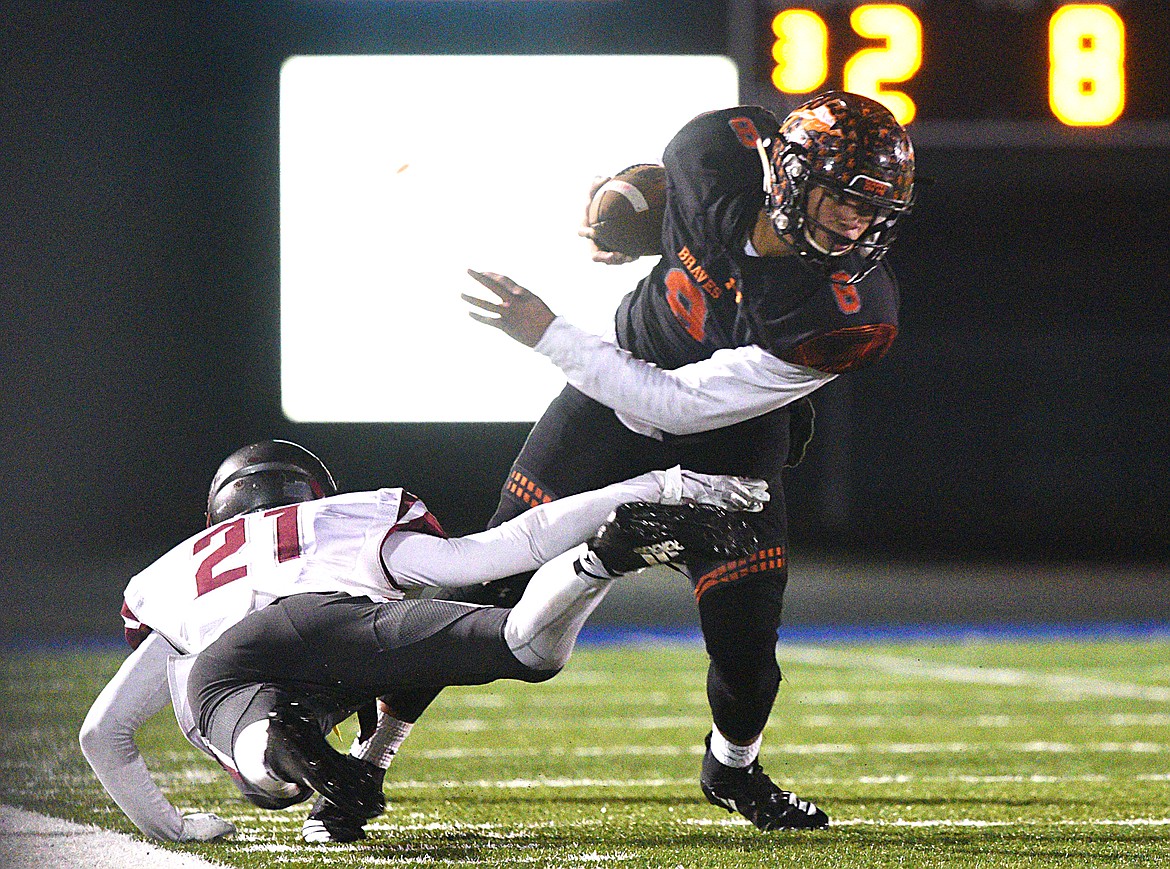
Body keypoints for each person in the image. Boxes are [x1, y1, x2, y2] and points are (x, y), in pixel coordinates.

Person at [442, 91, 916, 833]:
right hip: (607, 407)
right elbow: (668, 205)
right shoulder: (713, 155)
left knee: (747, 652)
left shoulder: (846, 311)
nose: (854, 224)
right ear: (787, 178)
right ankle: (370, 757)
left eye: (870, 210)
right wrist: (620, 211)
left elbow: (676, 405)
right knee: (483, 586)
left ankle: (732, 768)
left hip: (726, 442)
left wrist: (545, 331)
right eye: (840, 200)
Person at [79, 439, 767, 842]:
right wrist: (663, 482)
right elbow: (500, 548)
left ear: (216, 514)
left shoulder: (176, 572)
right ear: (313, 492)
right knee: (529, 648)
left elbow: (102, 734)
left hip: (228, 661)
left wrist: (175, 828)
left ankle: (276, 748)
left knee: (259, 764)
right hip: (334, 620)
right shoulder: (339, 520)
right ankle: (603, 558)